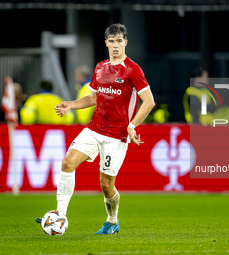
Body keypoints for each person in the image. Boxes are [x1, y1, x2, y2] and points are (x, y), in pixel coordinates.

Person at [35, 23, 155, 235]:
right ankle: (61, 215)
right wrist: (70, 104)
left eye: (119, 41)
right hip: (94, 128)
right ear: (106, 43)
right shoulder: (100, 67)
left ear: (125, 42)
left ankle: (112, 220)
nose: (116, 45)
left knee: (106, 185)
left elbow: (149, 102)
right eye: (112, 41)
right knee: (67, 162)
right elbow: (92, 98)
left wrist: (132, 125)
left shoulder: (133, 70)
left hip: (116, 136)